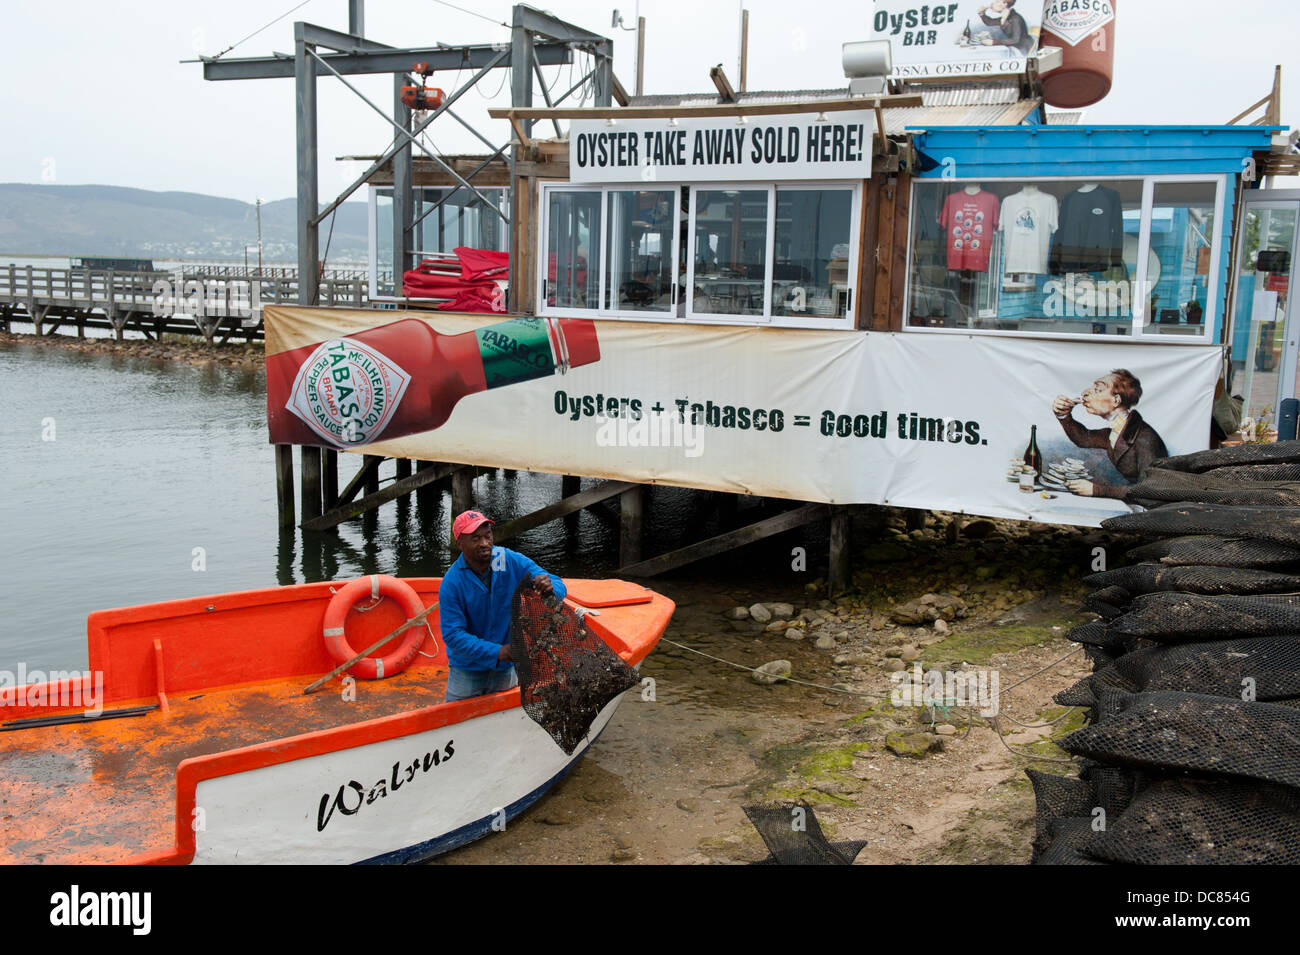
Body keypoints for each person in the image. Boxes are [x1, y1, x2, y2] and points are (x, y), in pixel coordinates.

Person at [439, 510, 567, 702]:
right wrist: (497, 652)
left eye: (487, 536)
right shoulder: (452, 582)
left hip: (505, 669)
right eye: (475, 539)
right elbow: (453, 635)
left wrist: (549, 588)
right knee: (455, 725)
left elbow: (558, 584)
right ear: (460, 544)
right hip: (467, 670)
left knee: (505, 718)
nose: (484, 543)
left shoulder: (509, 560)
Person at [1052, 369, 1168, 500]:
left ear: (1116, 400)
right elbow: (1084, 438)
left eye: (1098, 390)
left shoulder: (1145, 438)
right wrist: (1063, 415)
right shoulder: (1119, 430)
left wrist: (1097, 490)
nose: (1085, 393)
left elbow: (1150, 491)